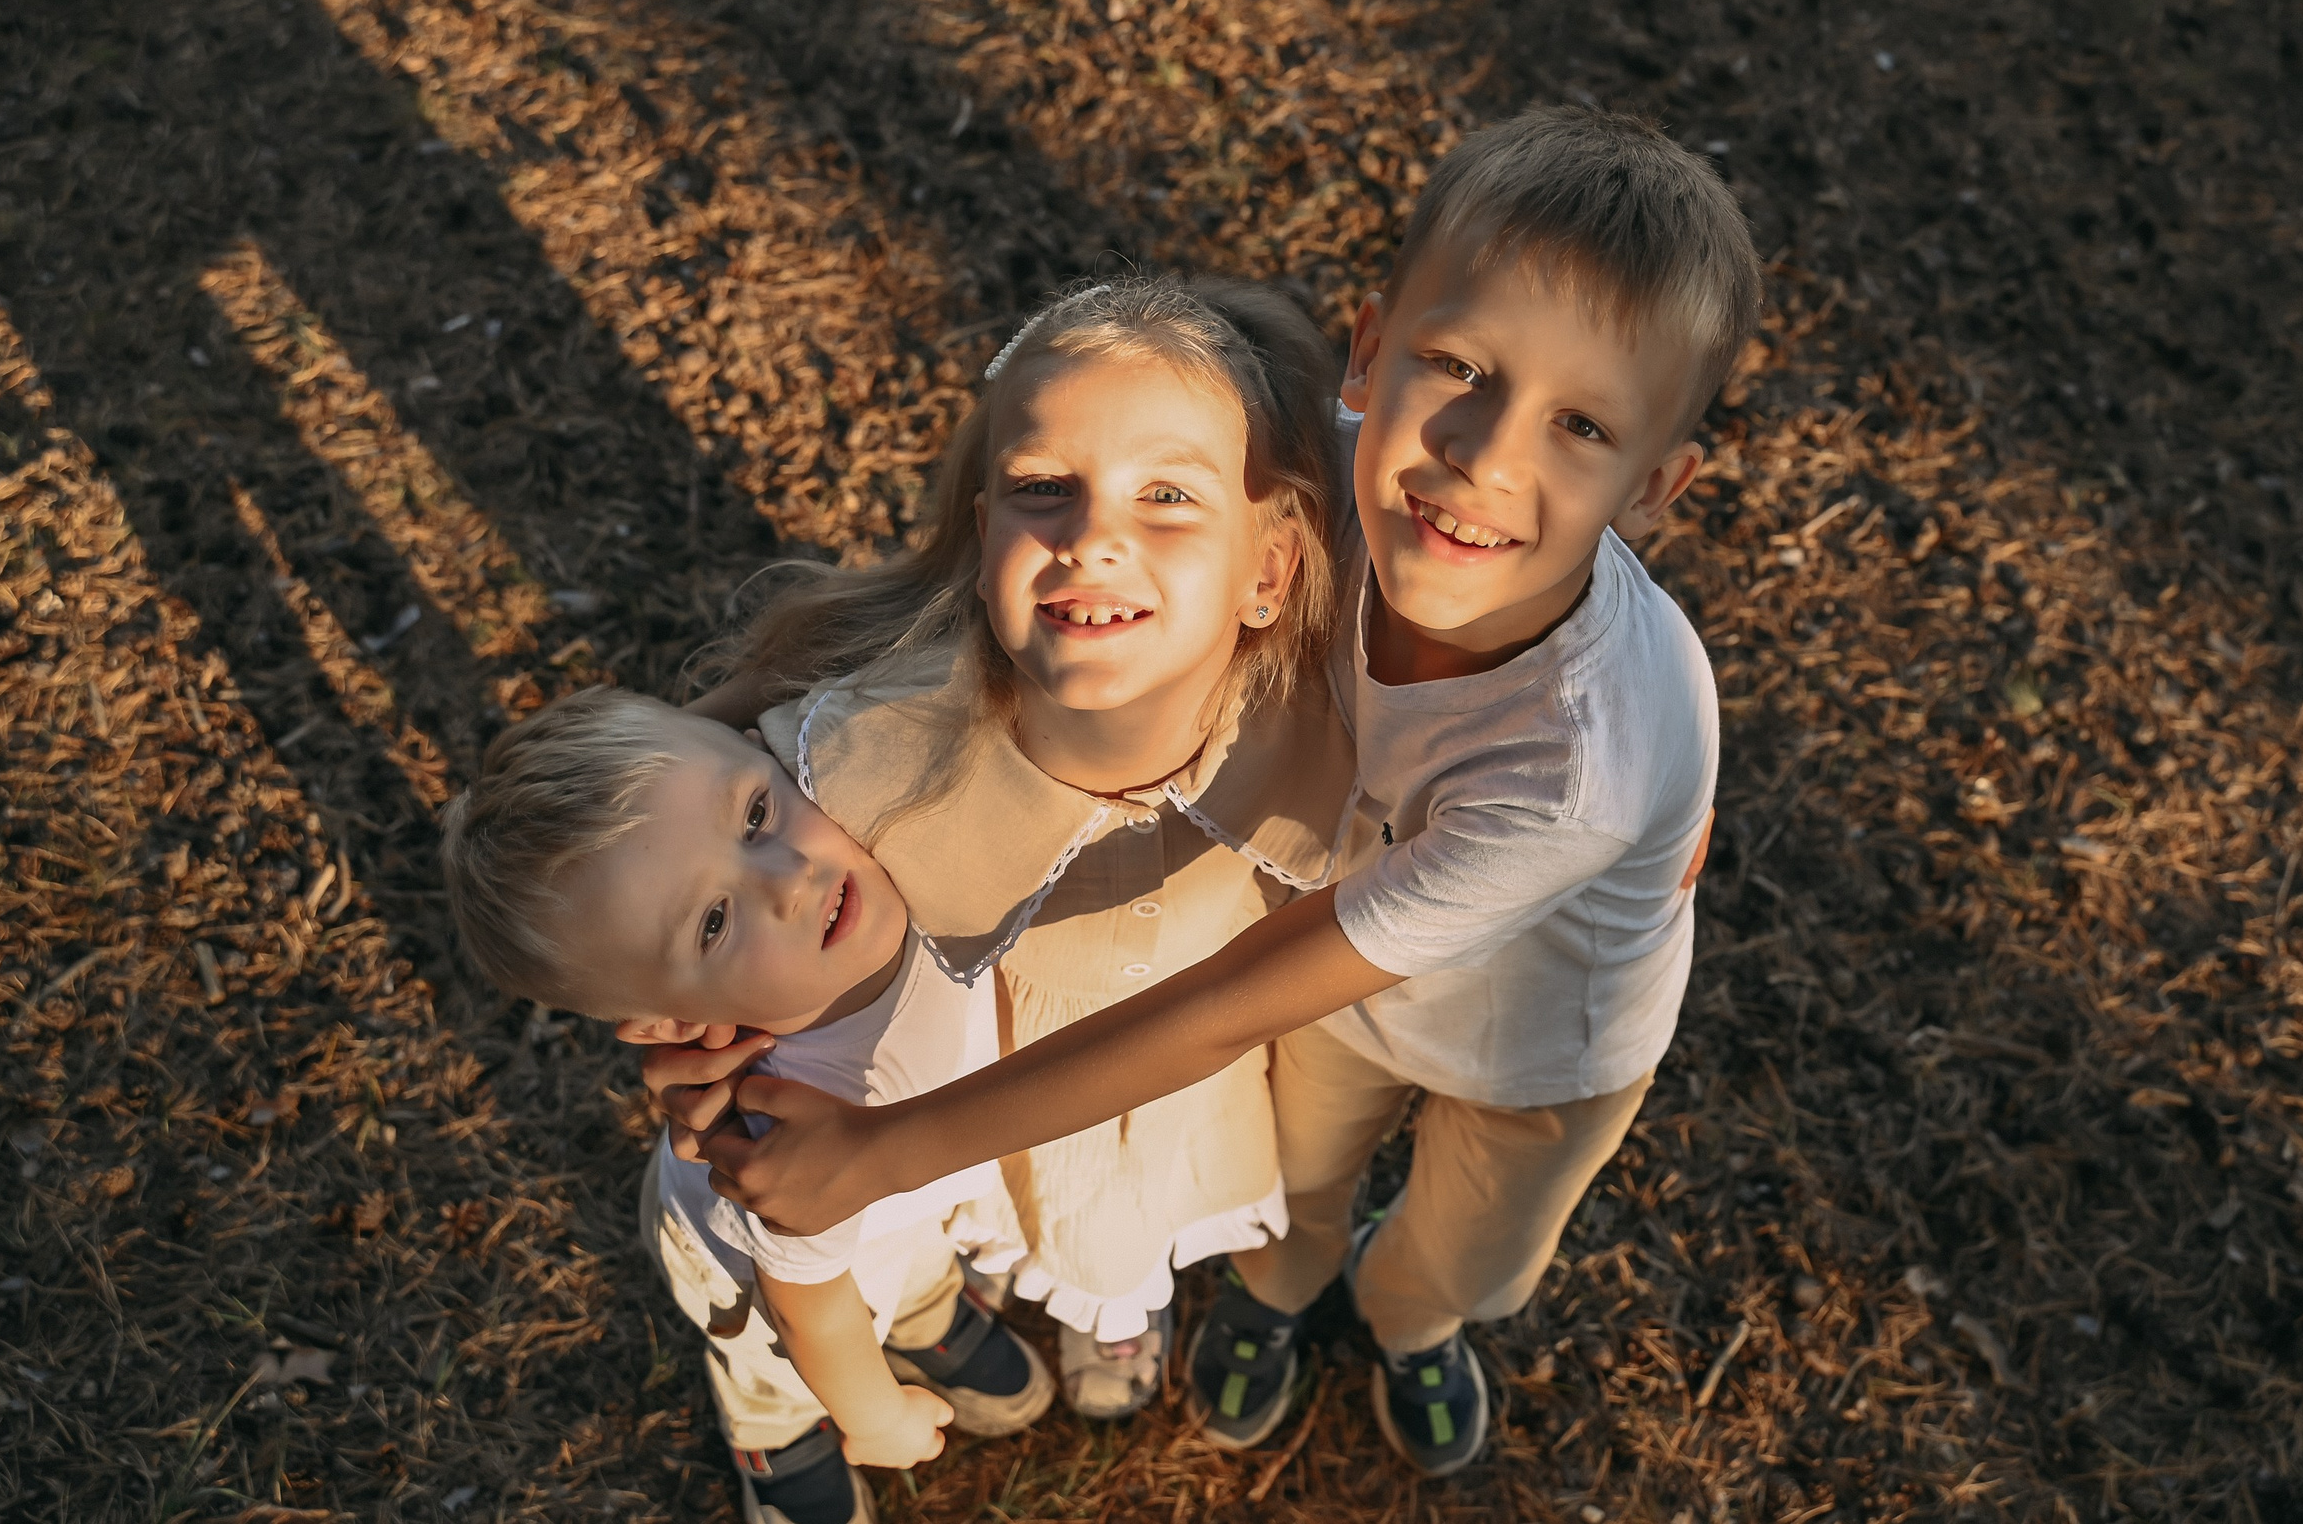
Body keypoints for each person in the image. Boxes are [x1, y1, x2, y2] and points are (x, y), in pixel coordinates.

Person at [647, 105, 1758, 1476]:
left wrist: (879, 1152)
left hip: (1543, 1040)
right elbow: (1096, 450)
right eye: (1457, 365)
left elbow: (1226, 1001)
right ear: (1367, 349)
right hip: (1343, 975)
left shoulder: (1581, 763)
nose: (1484, 452)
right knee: (1292, 1195)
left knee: (1457, 1250)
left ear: (1657, 489)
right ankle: (1275, 1304)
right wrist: (682, 871)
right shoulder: (1338, 475)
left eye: (1580, 424)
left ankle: (1409, 1328)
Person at [686, 273, 1357, 1419]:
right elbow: (683, 805)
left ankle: (1120, 1307)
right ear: (984, 530)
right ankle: (982, 1295)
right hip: (970, 1091)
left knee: (1128, 1221)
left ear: (1269, 571)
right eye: (1045, 488)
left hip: (1198, 1080)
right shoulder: (876, 744)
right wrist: (668, 993)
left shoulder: (1323, 722)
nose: (1093, 537)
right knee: (1020, 1209)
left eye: (1167, 497)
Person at [438, 689, 1054, 1524]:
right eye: (715, 921)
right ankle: (775, 1433)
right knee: (771, 1360)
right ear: (673, 1023)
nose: (791, 880)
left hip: (901, 1216)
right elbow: (813, 1313)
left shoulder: (901, 850)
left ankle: (926, 1314)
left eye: (757, 812)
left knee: (911, 1260)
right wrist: (875, 1417)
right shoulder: (791, 1128)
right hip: (767, 1279)